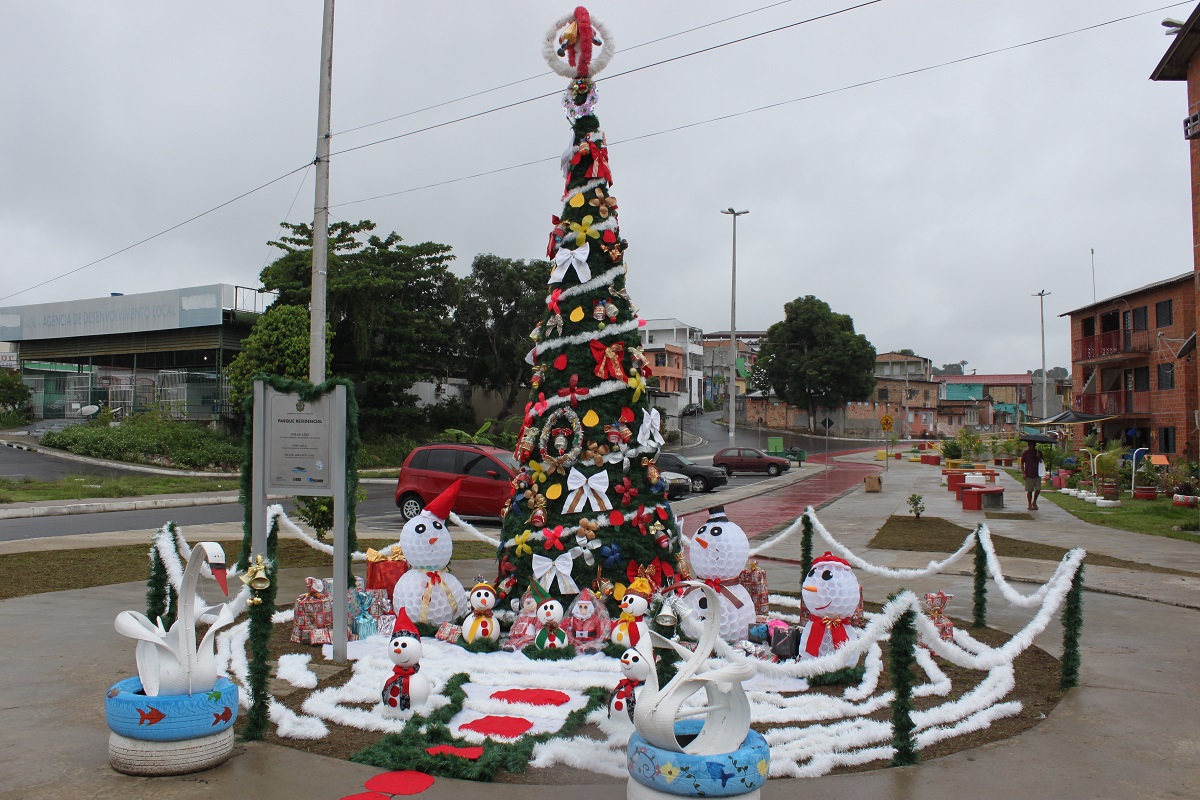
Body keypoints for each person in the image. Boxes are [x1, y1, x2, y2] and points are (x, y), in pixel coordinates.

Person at [1020, 441, 1044, 511]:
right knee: (1029, 491)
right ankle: (1029, 504)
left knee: (1038, 489)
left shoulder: (1038, 452)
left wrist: (1039, 457)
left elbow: (1042, 462)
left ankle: (1034, 502)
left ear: (1034, 445)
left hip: (1037, 474)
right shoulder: (1025, 453)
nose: (1031, 446)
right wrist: (1023, 473)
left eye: (1032, 444)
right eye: (1029, 444)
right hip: (1029, 474)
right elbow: (1022, 462)